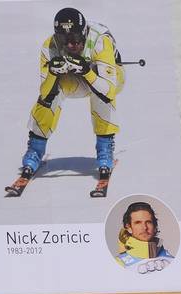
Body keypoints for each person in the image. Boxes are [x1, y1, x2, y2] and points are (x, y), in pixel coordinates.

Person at [9, 7, 124, 192]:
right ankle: (35, 149)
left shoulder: (100, 41)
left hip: (108, 77)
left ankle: (105, 148)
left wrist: (86, 71)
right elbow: (45, 93)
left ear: (84, 32)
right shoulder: (50, 46)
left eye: (76, 39)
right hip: (75, 79)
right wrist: (53, 74)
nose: (70, 45)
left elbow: (109, 91)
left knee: (100, 94)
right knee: (50, 95)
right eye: (64, 40)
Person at [115, 201, 173, 269]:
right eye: (138, 223)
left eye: (148, 222)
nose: (145, 227)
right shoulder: (119, 263)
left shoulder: (171, 259)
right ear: (129, 228)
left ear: (155, 226)